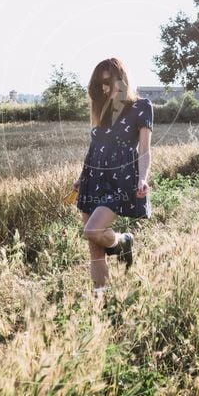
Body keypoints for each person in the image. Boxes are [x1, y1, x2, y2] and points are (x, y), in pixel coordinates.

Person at [72, 57, 153, 296]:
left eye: (108, 82)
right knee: (94, 246)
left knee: (93, 231)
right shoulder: (102, 108)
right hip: (92, 179)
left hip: (120, 180)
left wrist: (142, 178)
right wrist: (81, 176)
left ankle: (121, 241)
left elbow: (145, 149)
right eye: (100, 84)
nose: (105, 88)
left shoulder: (141, 106)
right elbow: (95, 147)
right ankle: (101, 297)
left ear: (122, 79)